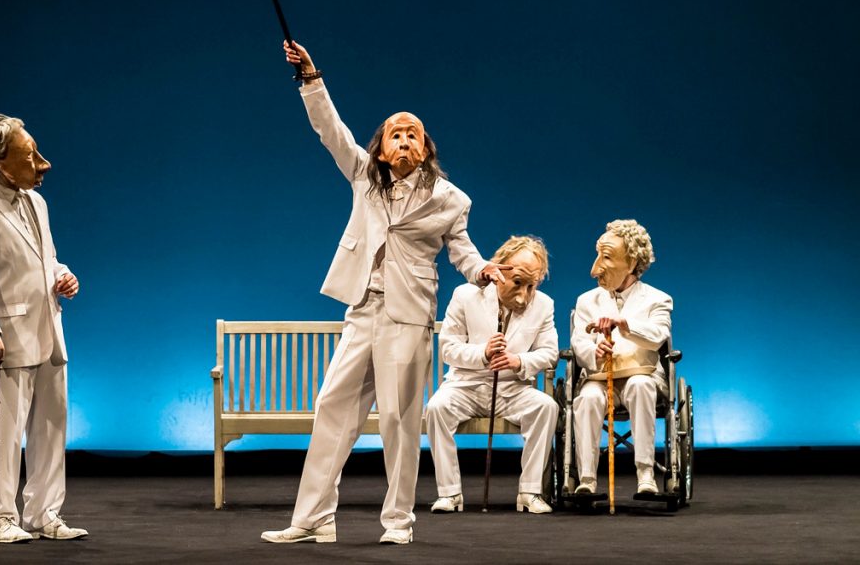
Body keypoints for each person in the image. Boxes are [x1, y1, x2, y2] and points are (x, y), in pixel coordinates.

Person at [261, 42, 507, 545]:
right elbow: (332, 131)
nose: (404, 140)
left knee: (399, 419)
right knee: (332, 405)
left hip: (407, 315)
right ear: (380, 148)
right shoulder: (364, 177)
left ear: (425, 149)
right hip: (363, 308)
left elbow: (462, 249)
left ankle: (398, 521)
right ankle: (314, 518)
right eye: (395, 133)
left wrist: (482, 270)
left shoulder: (449, 199)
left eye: (412, 134)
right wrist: (311, 79)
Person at [0, 114, 87, 543]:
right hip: (8, 340)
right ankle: (2, 519)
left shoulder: (37, 203)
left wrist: (62, 275)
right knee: (6, 435)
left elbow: (45, 258)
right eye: (29, 155)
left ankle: (45, 513)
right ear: (0, 162)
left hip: (48, 330)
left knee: (51, 428)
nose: (42, 163)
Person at [426, 235, 559, 515]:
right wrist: (483, 353)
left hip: (513, 390)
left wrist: (518, 361)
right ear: (500, 271)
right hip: (466, 386)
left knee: (546, 407)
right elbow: (448, 348)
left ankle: (530, 491)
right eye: (518, 283)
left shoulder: (544, 305)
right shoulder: (465, 296)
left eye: (532, 286)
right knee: (437, 408)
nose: (524, 296)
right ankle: (449, 493)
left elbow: (549, 353)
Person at [570, 219, 672, 496]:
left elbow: (658, 335)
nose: (595, 269)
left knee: (641, 385)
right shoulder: (586, 301)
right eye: (598, 255)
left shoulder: (658, 299)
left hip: (641, 374)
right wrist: (594, 352)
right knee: (588, 399)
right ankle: (587, 479)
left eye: (606, 257)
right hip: (599, 377)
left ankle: (645, 473)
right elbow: (579, 340)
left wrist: (625, 325)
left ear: (632, 262)